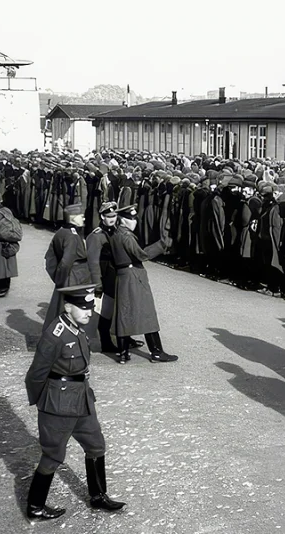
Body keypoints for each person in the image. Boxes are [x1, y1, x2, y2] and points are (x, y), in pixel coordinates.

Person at [24, 284, 126, 520]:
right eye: (83, 308)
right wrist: (45, 402)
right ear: (68, 307)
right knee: (53, 455)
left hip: (81, 399)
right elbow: (36, 374)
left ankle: (98, 496)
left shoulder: (77, 328)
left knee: (96, 445)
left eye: (90, 307)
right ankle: (35, 506)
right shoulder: (55, 334)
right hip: (58, 404)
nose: (89, 313)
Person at [109, 204, 177, 363]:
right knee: (147, 314)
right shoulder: (127, 237)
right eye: (129, 218)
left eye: (134, 218)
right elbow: (142, 255)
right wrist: (161, 244)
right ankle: (156, 351)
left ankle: (123, 353)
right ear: (121, 220)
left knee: (124, 314)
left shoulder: (116, 235)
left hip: (123, 275)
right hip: (133, 275)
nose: (133, 221)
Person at [44, 203, 92, 326]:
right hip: (75, 277)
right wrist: (61, 280)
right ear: (73, 217)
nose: (84, 218)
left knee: (61, 307)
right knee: (73, 310)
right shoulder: (72, 236)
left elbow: (50, 256)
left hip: (69, 275)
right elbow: (66, 262)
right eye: (81, 216)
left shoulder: (62, 231)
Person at [87, 201, 121, 352]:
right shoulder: (96, 236)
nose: (112, 218)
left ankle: (123, 337)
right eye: (109, 216)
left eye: (114, 215)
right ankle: (106, 342)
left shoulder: (117, 231)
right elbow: (93, 262)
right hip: (105, 275)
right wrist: (97, 283)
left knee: (118, 308)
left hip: (116, 274)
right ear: (102, 216)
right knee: (105, 311)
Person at [0, 191, 21, 297]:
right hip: (10, 241)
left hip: (0, 242)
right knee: (8, 265)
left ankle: (1, 290)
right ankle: (6, 287)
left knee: (0, 266)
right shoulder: (7, 210)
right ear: (1, 200)